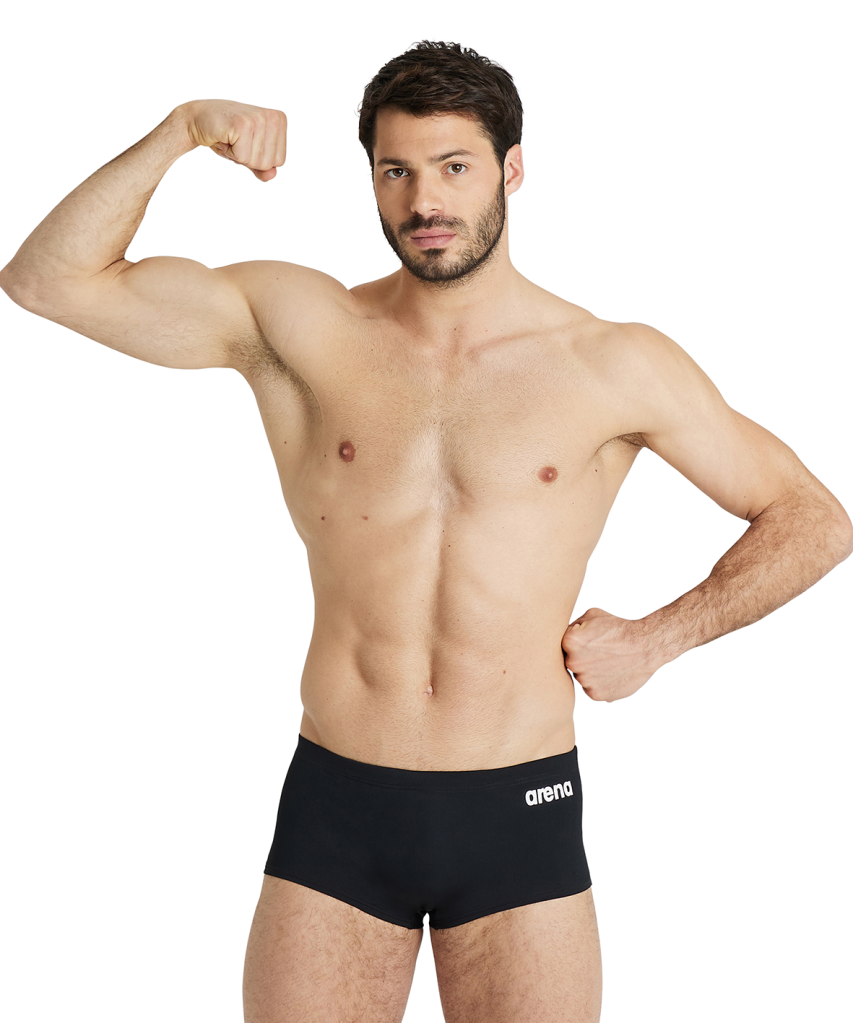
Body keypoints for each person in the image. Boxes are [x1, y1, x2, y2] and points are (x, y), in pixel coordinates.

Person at [1, 39, 849, 1023]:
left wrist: (658, 639)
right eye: (395, 171)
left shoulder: (610, 363)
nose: (424, 201)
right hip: (337, 811)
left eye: (453, 167)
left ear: (511, 170)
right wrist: (181, 130)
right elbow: (46, 280)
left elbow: (811, 519)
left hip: (520, 810)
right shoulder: (303, 327)